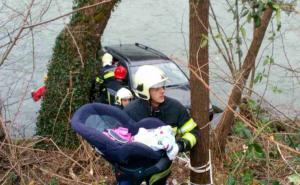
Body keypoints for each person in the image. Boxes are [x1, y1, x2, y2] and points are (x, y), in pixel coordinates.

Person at [124, 65, 198, 185]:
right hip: (135, 167)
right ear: (145, 91)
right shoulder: (130, 112)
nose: (162, 90)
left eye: (162, 86)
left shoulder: (175, 108)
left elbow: (193, 132)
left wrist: (179, 146)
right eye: (157, 88)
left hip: (160, 167)